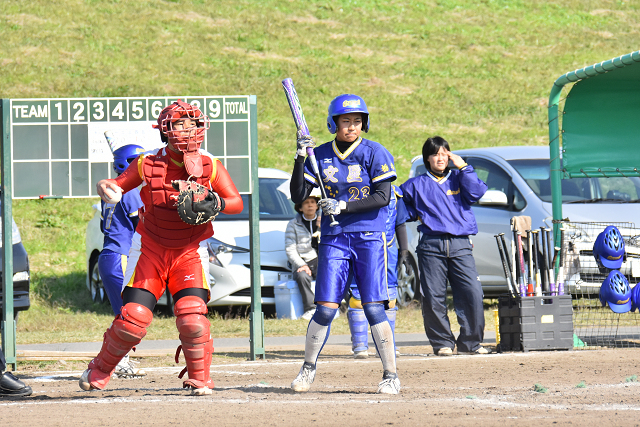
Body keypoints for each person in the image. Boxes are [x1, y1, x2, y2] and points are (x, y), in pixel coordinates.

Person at [79, 100, 243, 396]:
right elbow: (116, 184)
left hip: (190, 250)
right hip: (150, 248)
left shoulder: (210, 164)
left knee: (192, 317)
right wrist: (107, 188)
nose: (187, 130)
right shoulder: (148, 162)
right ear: (165, 131)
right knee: (133, 319)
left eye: (191, 123)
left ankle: (200, 378)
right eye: (179, 124)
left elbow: (236, 202)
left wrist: (215, 202)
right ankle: (100, 368)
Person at [289, 94, 401, 394]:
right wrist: (300, 158)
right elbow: (297, 194)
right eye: (346, 121)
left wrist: (343, 206)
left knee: (373, 306)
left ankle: (390, 373)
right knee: (324, 308)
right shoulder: (321, 154)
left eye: (357, 121)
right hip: (335, 239)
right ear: (333, 123)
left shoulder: (375, 152)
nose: (352, 126)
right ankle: (307, 369)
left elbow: (383, 197)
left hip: (368, 237)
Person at [400, 136, 489, 356]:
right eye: (435, 154)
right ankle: (442, 343)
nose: (440, 158)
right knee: (433, 297)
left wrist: (465, 167)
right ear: (427, 158)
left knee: (473, 293)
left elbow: (477, 193)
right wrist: (415, 213)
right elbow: (400, 208)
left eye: (444, 153)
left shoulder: (460, 177)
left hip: (460, 244)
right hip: (430, 246)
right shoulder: (415, 184)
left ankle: (471, 343)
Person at [98, 142, 146, 378]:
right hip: (120, 257)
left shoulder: (111, 190)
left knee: (126, 312)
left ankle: (117, 360)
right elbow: (142, 226)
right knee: (127, 315)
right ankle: (116, 361)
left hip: (109, 254)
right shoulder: (130, 191)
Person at [347, 184, 412, 359]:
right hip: (360, 246)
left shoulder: (395, 193)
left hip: (387, 248)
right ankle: (360, 345)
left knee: (389, 299)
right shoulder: (354, 187)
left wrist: (404, 252)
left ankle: (386, 344)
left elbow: (400, 224)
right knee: (358, 297)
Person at [284, 189, 322, 320]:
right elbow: (290, 249)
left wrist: (321, 227)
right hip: (303, 261)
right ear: (300, 207)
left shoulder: (325, 221)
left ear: (317, 205)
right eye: (306, 203)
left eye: (313, 202)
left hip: (320, 260)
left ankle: (337, 307)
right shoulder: (293, 224)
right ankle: (310, 309)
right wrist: (302, 264)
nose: (310, 205)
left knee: (332, 274)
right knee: (302, 276)